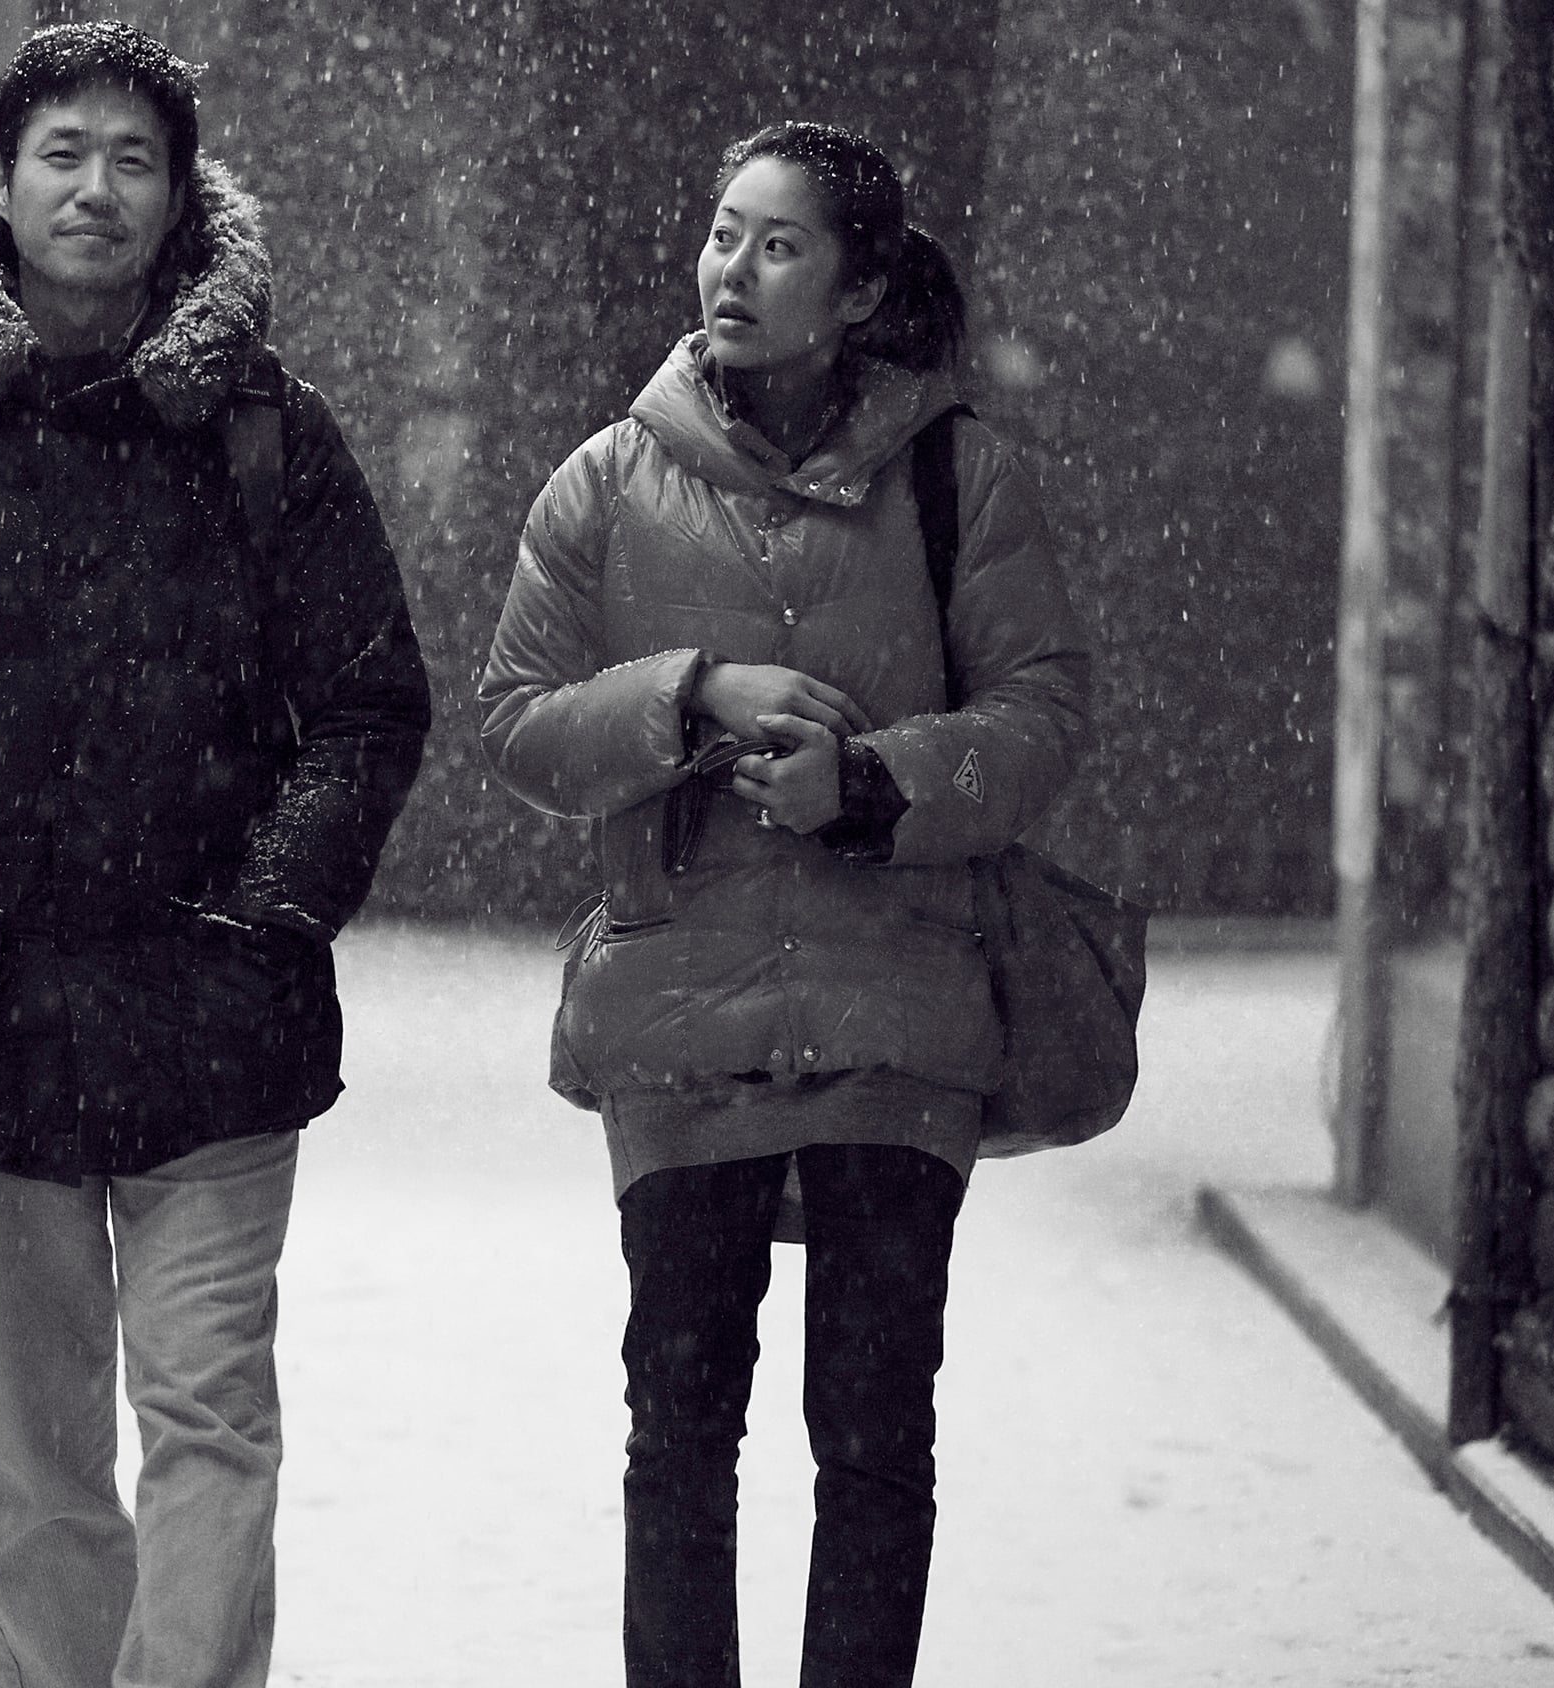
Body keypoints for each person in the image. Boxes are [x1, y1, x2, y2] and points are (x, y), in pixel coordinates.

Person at [0, 21, 429, 1688]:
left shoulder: (270, 433)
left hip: (216, 1019)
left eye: (134, 159)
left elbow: (365, 706)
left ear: (183, 196)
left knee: (211, 1422)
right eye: (64, 152)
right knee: (34, 1469)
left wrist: (270, 911)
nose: (96, 188)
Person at [478, 122, 1091, 1688]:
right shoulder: (607, 482)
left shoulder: (958, 478)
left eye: (779, 243)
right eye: (722, 233)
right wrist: (689, 692)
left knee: (875, 1437)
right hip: (678, 1018)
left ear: (860, 288)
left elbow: (1040, 717)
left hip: (901, 1015)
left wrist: (871, 783)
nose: (733, 270)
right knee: (680, 1431)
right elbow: (517, 725)